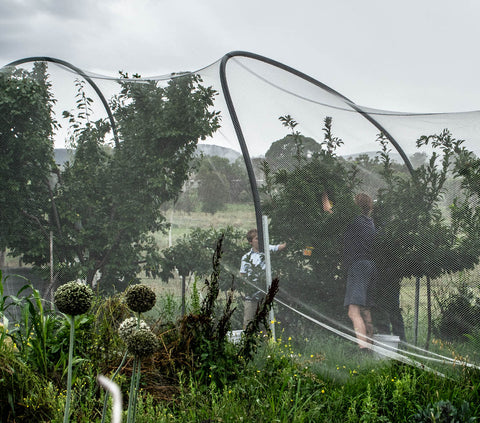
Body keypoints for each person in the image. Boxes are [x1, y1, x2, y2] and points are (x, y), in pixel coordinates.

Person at [343, 193, 376, 351]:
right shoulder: (370, 222)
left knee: (353, 311)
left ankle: (363, 349)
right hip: (370, 266)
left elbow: (329, 211)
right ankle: (370, 346)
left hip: (358, 266)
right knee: (365, 309)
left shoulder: (354, 221)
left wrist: (324, 193)